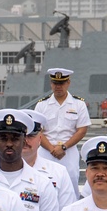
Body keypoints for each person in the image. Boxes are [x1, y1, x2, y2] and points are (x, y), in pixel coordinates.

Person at [35, 68, 90, 197]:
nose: (58, 87)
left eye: (61, 83)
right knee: (42, 185)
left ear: (68, 83)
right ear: (51, 83)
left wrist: (63, 147)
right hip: (46, 150)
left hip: (68, 151)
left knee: (71, 185)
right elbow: (38, 130)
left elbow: (82, 130)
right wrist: (51, 149)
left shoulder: (78, 104)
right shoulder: (42, 105)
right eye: (55, 83)